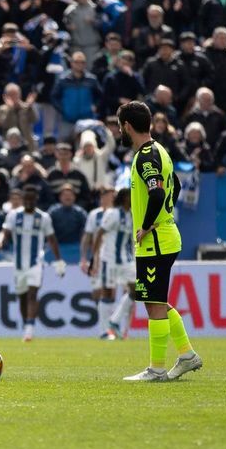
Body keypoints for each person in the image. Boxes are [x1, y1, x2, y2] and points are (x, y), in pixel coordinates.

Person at [117, 100, 203, 381]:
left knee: (153, 303)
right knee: (156, 302)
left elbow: (156, 194)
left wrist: (146, 225)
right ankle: (187, 356)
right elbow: (174, 185)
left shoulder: (144, 156)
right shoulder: (160, 151)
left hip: (155, 241)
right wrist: (163, 215)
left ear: (127, 126)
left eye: (120, 126)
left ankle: (156, 369)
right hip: (163, 235)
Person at [0, 185, 63, 343]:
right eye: (26, 199)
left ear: (36, 200)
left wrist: (59, 261)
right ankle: (26, 324)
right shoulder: (13, 215)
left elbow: (52, 239)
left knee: (33, 294)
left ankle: (29, 330)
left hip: (36, 262)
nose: (28, 202)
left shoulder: (43, 217)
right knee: (22, 297)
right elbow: (5, 231)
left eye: (31, 199)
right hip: (19, 264)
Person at [93, 187, 136, 341]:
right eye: (131, 196)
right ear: (124, 198)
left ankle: (115, 320)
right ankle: (103, 332)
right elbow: (99, 234)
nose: (134, 198)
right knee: (108, 294)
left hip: (126, 260)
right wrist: (95, 258)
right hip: (109, 259)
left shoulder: (133, 215)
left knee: (137, 289)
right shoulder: (112, 213)